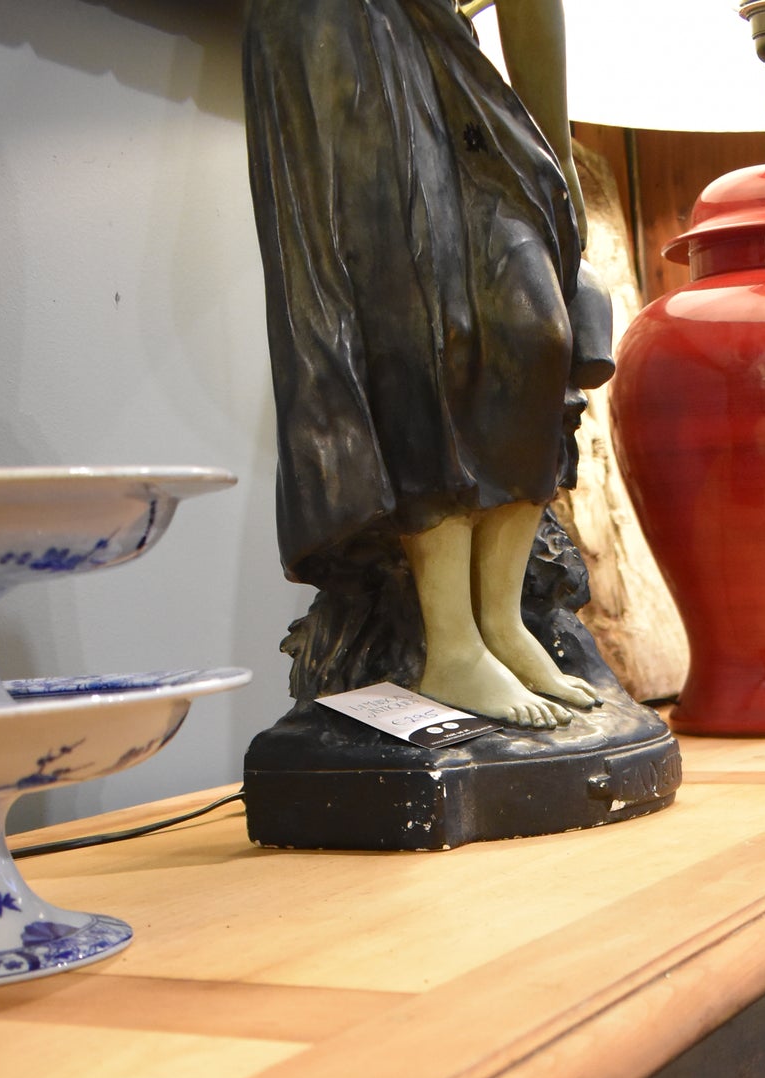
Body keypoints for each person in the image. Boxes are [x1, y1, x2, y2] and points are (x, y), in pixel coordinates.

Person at [243, 0, 599, 724]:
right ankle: (453, 646)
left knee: (537, 331)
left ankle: (501, 622)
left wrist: (554, 154)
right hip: (334, 36)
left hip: (440, 43)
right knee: (413, 324)